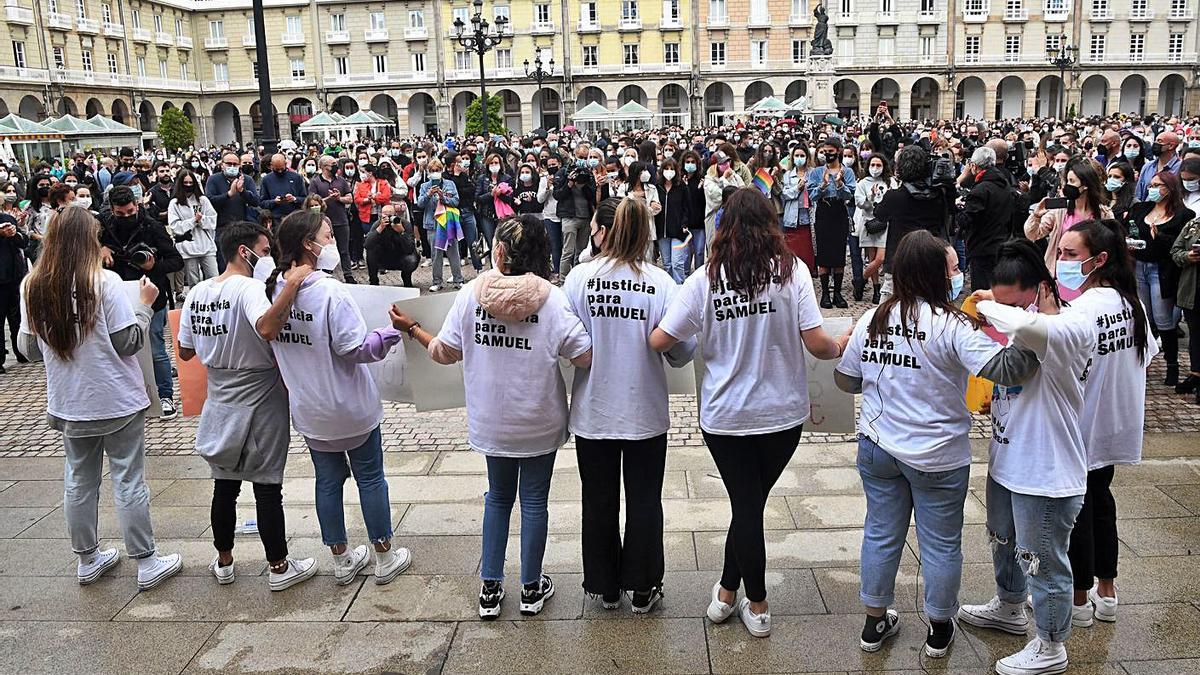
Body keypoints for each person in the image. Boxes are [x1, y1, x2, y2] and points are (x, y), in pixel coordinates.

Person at [649, 188, 848, 639]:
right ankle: (738, 594)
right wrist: (844, 342)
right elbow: (817, 343)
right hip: (782, 415)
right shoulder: (791, 271)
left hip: (725, 416)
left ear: (723, 227)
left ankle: (743, 597)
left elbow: (661, 340)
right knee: (749, 504)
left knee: (747, 505)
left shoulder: (705, 279)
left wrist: (690, 339)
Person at [835, 230, 1040, 658]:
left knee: (880, 532)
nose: (957, 275)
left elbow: (845, 379)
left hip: (879, 448)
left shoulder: (874, 318)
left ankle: (874, 623)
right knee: (942, 543)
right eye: (951, 269)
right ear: (935, 275)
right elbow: (1012, 368)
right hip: (939, 455)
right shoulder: (954, 326)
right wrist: (1023, 321)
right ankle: (939, 628)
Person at [393, 214, 592, 619]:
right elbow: (584, 355)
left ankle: (490, 588)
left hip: (492, 420)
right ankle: (531, 588)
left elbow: (445, 353)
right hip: (538, 418)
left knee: (498, 499)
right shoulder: (552, 300)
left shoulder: (470, 294)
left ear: (499, 251)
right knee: (535, 501)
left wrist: (413, 328)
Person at [18, 206, 183, 590]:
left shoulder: (33, 284)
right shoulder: (103, 281)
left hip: (68, 400)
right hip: (114, 397)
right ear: (86, 239)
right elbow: (128, 342)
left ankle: (87, 558)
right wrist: (144, 306)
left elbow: (27, 349)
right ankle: (146, 562)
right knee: (128, 478)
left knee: (78, 479)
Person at [958, 238, 1095, 675]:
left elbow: (1026, 329)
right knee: (1005, 542)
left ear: (1039, 289)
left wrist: (985, 301)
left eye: (1015, 305)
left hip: (1046, 470)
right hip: (1008, 458)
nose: (1005, 316)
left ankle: (1051, 646)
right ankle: (1010, 607)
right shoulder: (1023, 323)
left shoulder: (1068, 330)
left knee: (1044, 561)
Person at [264, 210, 414, 586]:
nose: (333, 243)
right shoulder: (330, 291)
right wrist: (390, 334)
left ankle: (341, 558)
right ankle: (384, 554)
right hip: (349, 406)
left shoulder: (273, 290)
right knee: (370, 477)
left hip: (310, 408)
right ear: (308, 245)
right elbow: (355, 349)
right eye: (328, 236)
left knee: (327, 481)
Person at [563, 197, 694, 613]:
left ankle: (604, 585)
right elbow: (681, 352)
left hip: (593, 408)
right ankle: (642, 584)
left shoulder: (580, 278)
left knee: (597, 501)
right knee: (644, 500)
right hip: (644, 410)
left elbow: (566, 340)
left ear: (605, 230)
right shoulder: (661, 282)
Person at [177, 221, 318, 591]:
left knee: (224, 485)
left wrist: (217, 343)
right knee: (267, 485)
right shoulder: (250, 288)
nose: (268, 258)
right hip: (259, 393)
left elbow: (185, 351)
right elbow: (268, 327)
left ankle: (223, 560)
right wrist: (291, 285)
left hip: (220, 395)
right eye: (265, 250)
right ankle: (279, 566)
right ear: (245, 251)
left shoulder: (197, 292)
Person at [1054, 219, 1156, 628]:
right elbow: (1144, 357)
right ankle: (1107, 590)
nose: (1062, 261)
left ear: (1099, 260)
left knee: (1078, 512)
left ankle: (1078, 600)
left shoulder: (1082, 310)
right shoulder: (1131, 303)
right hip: (1115, 424)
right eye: (1060, 252)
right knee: (1101, 504)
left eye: (1071, 255)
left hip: (1082, 426)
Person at [99, 185, 184, 419]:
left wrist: (153, 265)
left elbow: (176, 261)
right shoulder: (103, 229)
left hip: (152, 295)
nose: (126, 217)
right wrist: (100, 249)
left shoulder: (153, 226)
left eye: (130, 211)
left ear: (137, 206)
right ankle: (129, 397)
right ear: (112, 210)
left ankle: (164, 395)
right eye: (120, 214)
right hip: (116, 297)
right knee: (121, 350)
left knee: (156, 349)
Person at [1127, 170, 1193, 385]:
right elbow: (1130, 230)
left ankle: (1172, 365)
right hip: (1139, 266)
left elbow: (1179, 246)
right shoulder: (1141, 208)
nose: (1152, 189)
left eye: (1158, 186)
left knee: (1163, 318)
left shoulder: (1184, 215)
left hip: (1161, 270)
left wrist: (1161, 236)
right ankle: (1143, 362)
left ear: (1170, 189)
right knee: (1144, 316)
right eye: (1151, 185)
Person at [1025, 157, 1113, 271]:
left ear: (1086, 185)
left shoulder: (1104, 214)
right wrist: (1036, 216)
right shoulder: (1060, 210)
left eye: (1072, 181)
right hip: (1059, 271)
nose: (1067, 185)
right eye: (1067, 181)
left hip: (1090, 273)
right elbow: (1033, 234)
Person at [807, 137, 857, 309]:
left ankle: (837, 292)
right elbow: (812, 196)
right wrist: (823, 184)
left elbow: (850, 196)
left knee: (838, 254)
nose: (827, 155)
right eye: (824, 152)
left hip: (839, 211)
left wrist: (839, 183)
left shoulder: (847, 172)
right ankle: (825, 294)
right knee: (823, 254)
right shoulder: (816, 172)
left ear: (838, 151)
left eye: (830, 151)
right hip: (823, 211)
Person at [959, 146, 1016, 291]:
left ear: (974, 166)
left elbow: (967, 220)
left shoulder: (981, 190)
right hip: (1001, 242)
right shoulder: (1003, 183)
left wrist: (958, 209)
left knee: (982, 292)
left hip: (982, 248)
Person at [416, 158, 464, 292]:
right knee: (436, 254)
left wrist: (443, 197)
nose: (435, 173)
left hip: (448, 222)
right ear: (428, 172)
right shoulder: (424, 186)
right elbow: (420, 204)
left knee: (453, 252)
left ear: (441, 171)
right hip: (432, 224)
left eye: (437, 170)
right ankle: (437, 281)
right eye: (432, 171)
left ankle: (458, 280)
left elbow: (456, 201)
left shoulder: (450, 184)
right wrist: (428, 194)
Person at [207, 153, 261, 272]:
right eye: (229, 164)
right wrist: (229, 194)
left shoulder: (246, 179)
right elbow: (209, 201)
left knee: (246, 263)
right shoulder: (214, 179)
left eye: (235, 164)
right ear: (222, 165)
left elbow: (256, 201)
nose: (232, 166)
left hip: (243, 227)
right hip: (222, 228)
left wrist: (242, 191)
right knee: (224, 264)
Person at [853, 152, 894, 303]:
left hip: (886, 223)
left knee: (880, 259)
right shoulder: (862, 183)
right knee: (872, 258)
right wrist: (870, 196)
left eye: (878, 165)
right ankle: (876, 288)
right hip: (869, 223)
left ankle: (860, 280)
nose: (875, 168)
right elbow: (860, 204)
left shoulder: (890, 182)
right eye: (872, 165)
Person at [167, 169, 219, 287]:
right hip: (188, 247)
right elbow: (175, 226)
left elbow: (213, 220)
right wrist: (193, 221)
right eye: (185, 183)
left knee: (214, 277)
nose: (188, 186)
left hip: (206, 245)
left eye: (191, 183)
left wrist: (201, 220)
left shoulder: (203, 200)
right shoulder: (174, 203)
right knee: (194, 282)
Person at [309, 155, 355, 281]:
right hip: (322, 222)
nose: (336, 166)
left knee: (344, 250)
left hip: (341, 220)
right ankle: (324, 275)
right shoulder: (315, 182)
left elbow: (350, 198)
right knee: (323, 251)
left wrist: (339, 198)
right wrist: (329, 199)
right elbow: (313, 202)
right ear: (324, 167)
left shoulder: (341, 181)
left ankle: (348, 274)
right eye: (332, 164)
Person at [554, 144, 597, 276]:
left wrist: (583, 185)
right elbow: (557, 195)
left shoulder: (589, 173)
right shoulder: (563, 171)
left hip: (585, 217)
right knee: (568, 251)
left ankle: (580, 278)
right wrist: (569, 184)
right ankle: (564, 279)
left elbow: (593, 195)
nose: (582, 160)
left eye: (585, 157)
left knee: (582, 252)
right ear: (574, 154)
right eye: (580, 157)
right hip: (569, 216)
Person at [1172, 212, 1200, 404]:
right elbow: (1175, 251)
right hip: (1192, 291)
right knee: (1196, 336)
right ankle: (1196, 373)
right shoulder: (1194, 224)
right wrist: (1188, 256)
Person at [365, 202, 419, 287]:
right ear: (380, 216)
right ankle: (373, 281)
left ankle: (407, 278)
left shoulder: (404, 224)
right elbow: (367, 245)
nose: (388, 219)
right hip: (383, 258)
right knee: (371, 251)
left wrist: (402, 232)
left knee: (411, 259)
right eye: (385, 216)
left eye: (390, 216)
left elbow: (410, 248)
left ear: (396, 215)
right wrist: (379, 229)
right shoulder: (378, 224)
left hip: (401, 256)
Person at [0, 204, 27, 374]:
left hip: (14, 277)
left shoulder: (7, 219)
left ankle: (21, 351)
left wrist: (14, 233)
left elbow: (23, 242)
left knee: (17, 317)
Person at [780, 145, 815, 275]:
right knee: (793, 250)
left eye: (802, 156)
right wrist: (797, 188)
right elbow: (785, 194)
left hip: (809, 215)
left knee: (807, 249)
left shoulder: (813, 173)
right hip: (792, 217)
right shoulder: (788, 175)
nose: (799, 159)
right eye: (797, 156)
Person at [655, 158, 691, 283]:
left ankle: (680, 287)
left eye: (672, 169)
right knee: (667, 264)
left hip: (678, 231)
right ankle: (669, 288)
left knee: (677, 263)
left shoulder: (681, 186)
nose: (669, 172)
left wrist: (684, 223)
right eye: (666, 168)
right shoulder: (657, 187)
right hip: (662, 231)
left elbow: (687, 207)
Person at [1135, 131, 1182, 201]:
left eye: (1160, 141)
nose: (1155, 144)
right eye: (1155, 140)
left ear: (1171, 146)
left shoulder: (1180, 167)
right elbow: (1139, 194)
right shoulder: (1148, 166)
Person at [260, 154, 307, 221]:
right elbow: (262, 203)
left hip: (295, 218)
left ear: (286, 163)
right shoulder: (266, 180)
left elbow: (305, 199)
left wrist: (294, 199)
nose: (280, 171)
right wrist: (274, 202)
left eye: (282, 168)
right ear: (271, 165)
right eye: (277, 169)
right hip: (276, 220)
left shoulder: (296, 177)